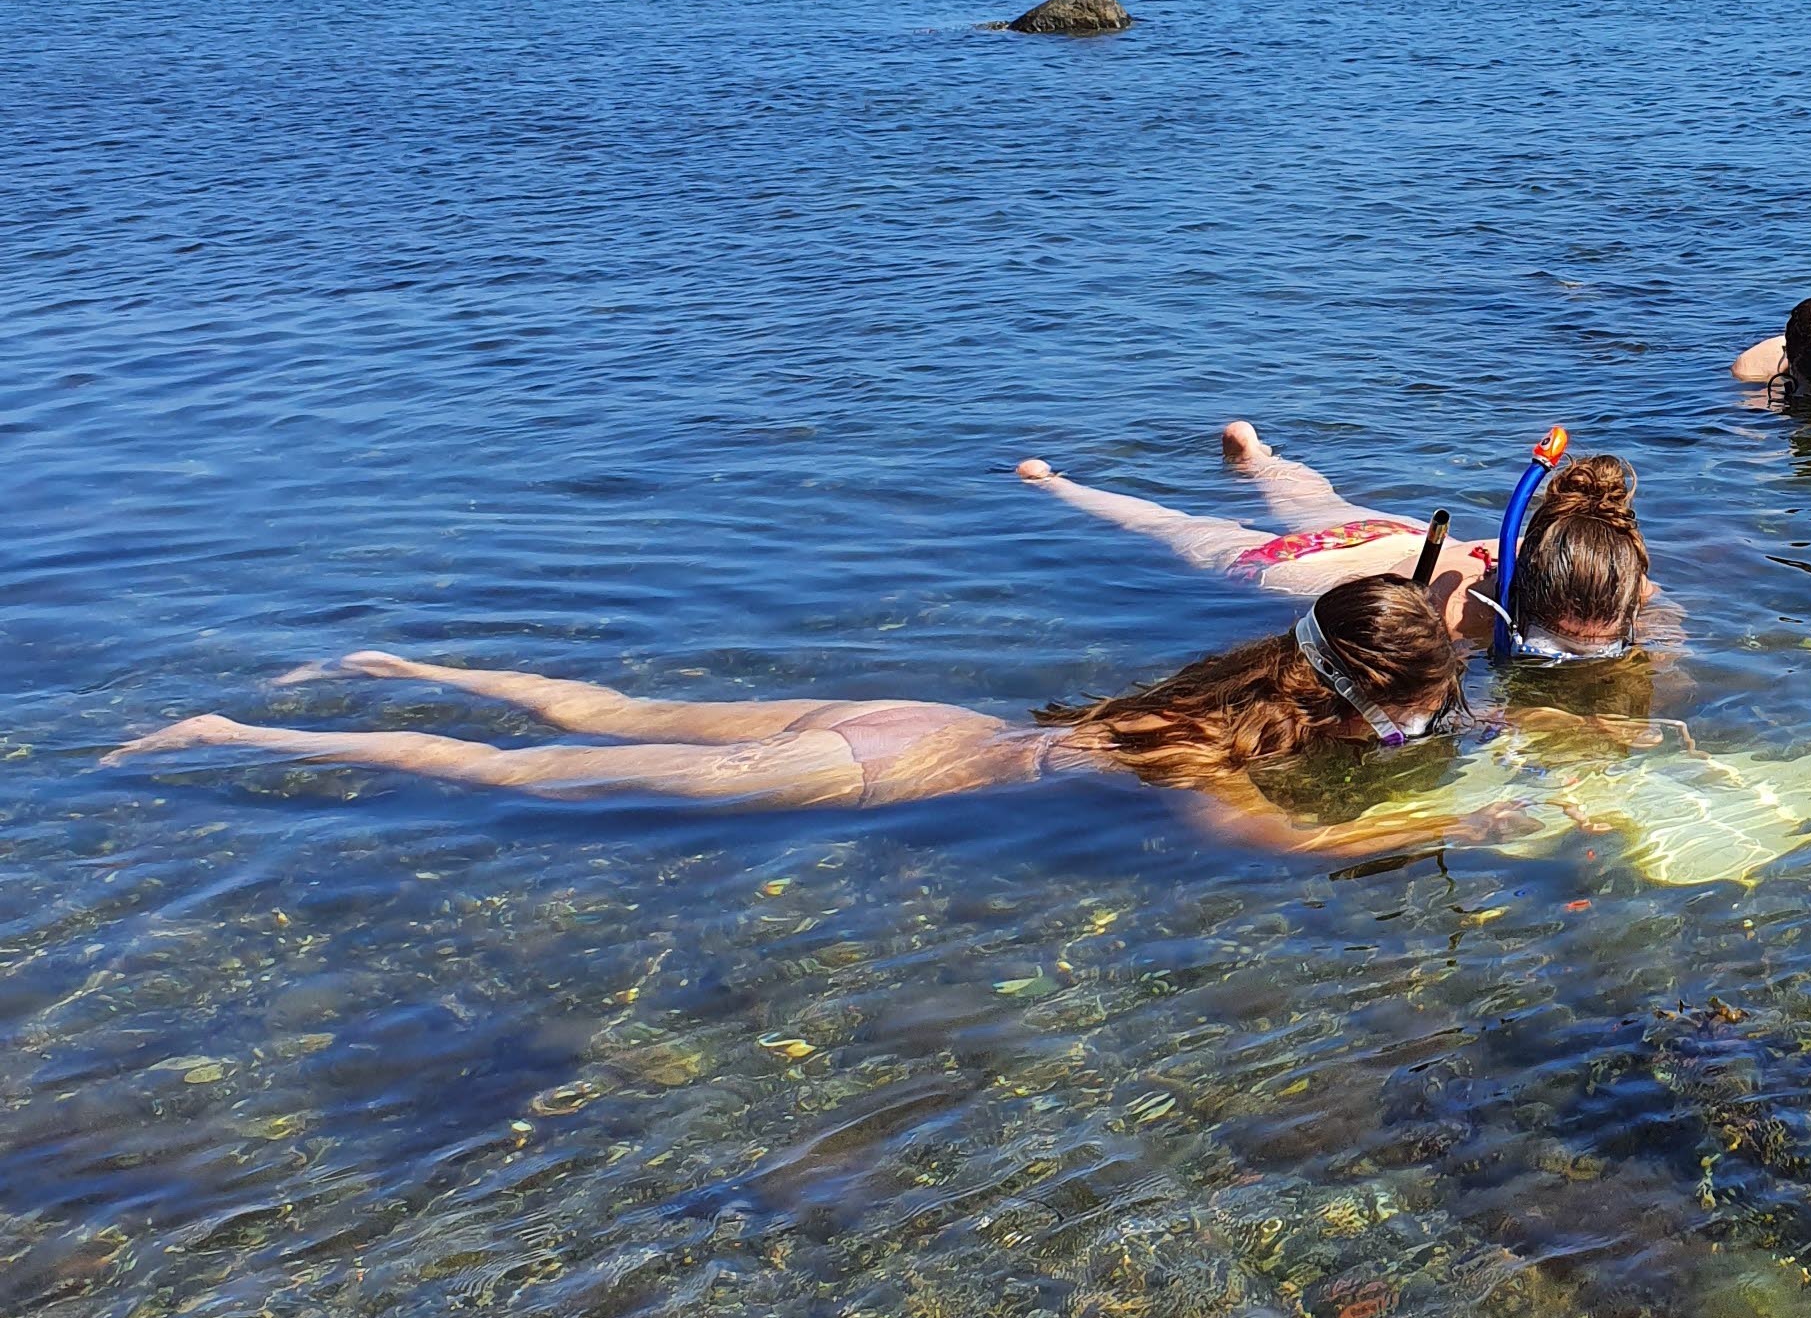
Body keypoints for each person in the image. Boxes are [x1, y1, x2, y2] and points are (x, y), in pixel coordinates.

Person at [105, 576, 1528, 858]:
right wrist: (1482, 820)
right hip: (865, 775)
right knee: (521, 779)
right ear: (1346, 699)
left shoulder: (1206, 695)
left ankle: (385, 655)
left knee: (607, 707)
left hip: (909, 714)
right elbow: (1292, 848)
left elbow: (1387, 679)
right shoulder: (1200, 768)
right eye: (1412, 717)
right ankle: (232, 737)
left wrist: (1455, 692)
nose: (1418, 729)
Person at [1015, 422, 1660, 660]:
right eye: (1552, 646)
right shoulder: (1465, 619)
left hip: (1391, 534)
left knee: (1316, 501)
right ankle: (1052, 484)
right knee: (1171, 527)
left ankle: (1256, 457)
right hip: (1305, 571)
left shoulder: (1586, 556)